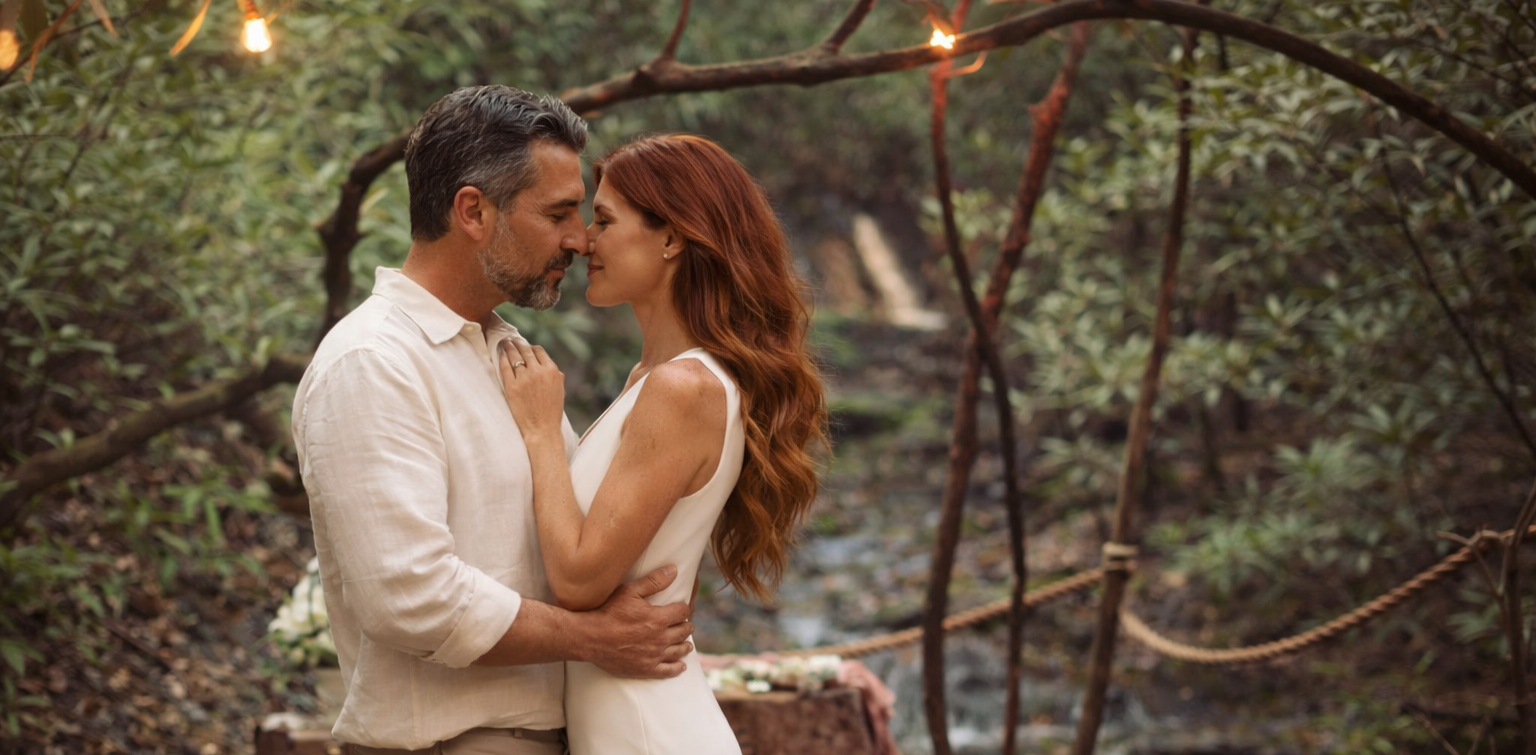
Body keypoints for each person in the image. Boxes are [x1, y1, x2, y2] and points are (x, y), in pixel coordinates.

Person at [290, 86, 697, 755]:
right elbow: (408, 595)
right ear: (473, 211)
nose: (578, 238)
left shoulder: (507, 351)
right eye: (560, 212)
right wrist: (596, 638)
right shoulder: (374, 361)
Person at [498, 134, 829, 754]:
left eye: (603, 219)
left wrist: (543, 430)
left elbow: (576, 581)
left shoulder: (683, 388)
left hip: (648, 729)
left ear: (672, 238)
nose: (584, 240)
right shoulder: (653, 380)